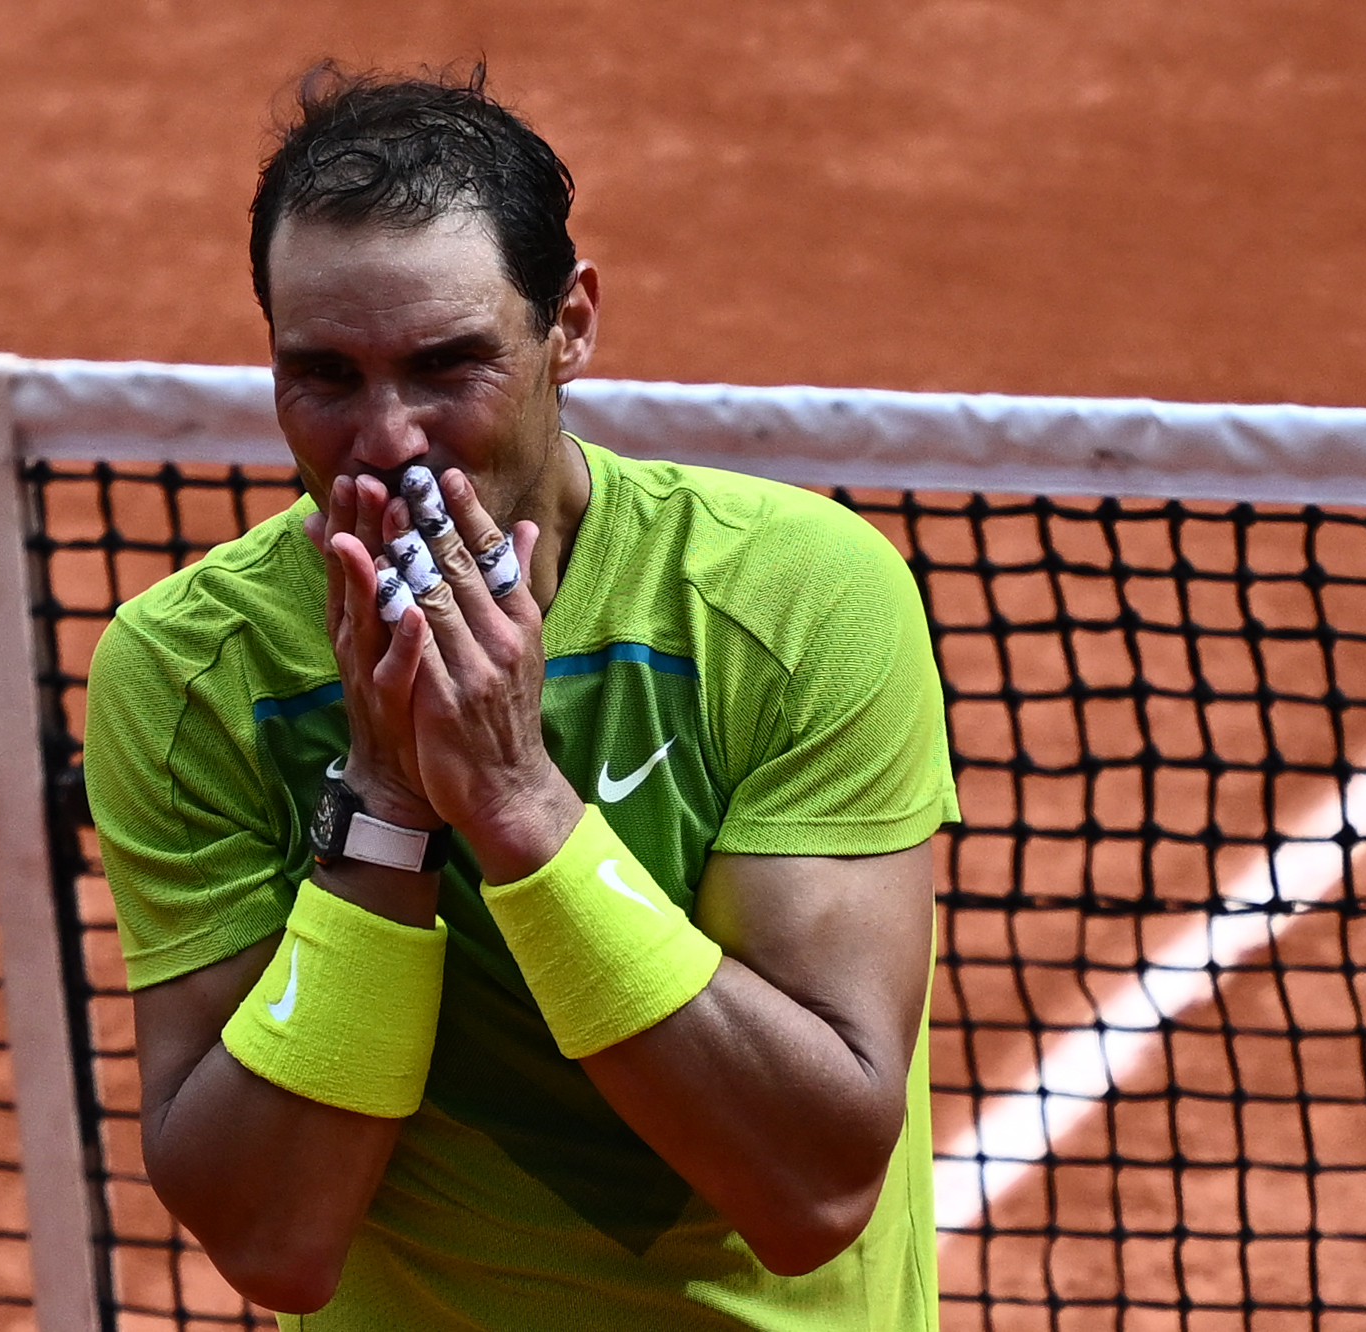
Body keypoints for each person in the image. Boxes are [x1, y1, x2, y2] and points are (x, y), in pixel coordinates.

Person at [84, 63, 959, 1330]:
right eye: (324, 376)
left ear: (573, 324)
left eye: (448, 365)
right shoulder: (189, 672)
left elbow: (809, 1186)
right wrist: (384, 806)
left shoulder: (794, 601)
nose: (387, 440)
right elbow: (275, 1243)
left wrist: (512, 799)